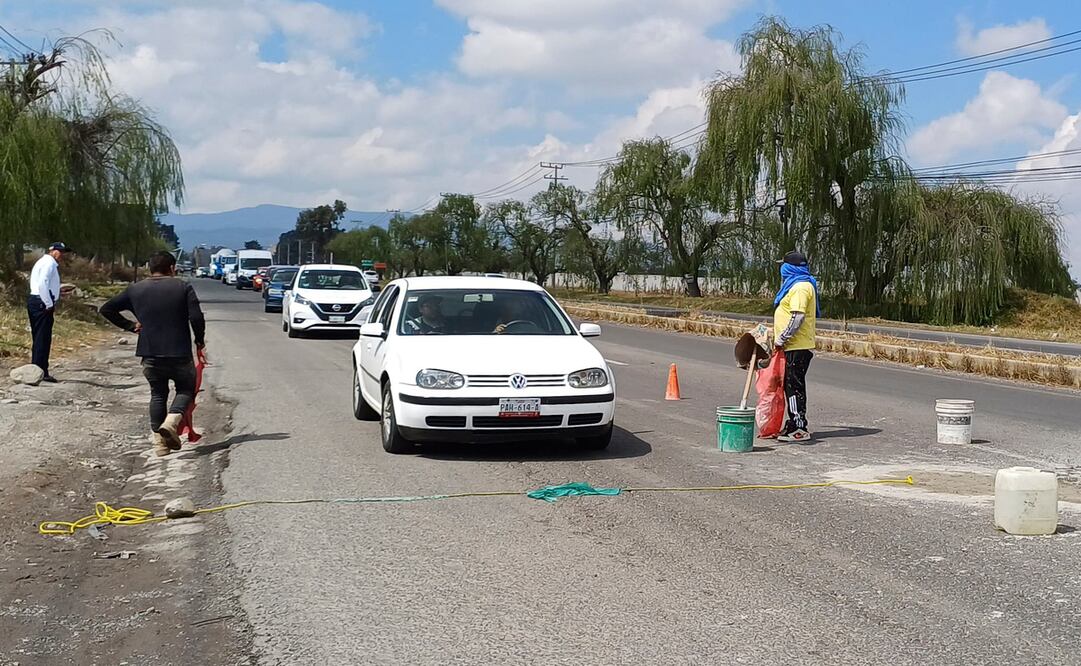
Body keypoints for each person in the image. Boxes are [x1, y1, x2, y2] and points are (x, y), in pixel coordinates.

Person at [100, 251, 206, 457]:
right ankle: (172, 421)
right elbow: (196, 317)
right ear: (172, 268)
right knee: (186, 389)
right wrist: (199, 340)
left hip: (149, 352)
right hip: (178, 352)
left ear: (150, 268)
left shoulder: (135, 289)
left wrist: (131, 326)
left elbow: (106, 309)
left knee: (158, 394)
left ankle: (160, 445)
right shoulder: (182, 287)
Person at [773, 250, 819, 444]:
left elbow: (798, 316)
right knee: (789, 385)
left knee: (794, 386)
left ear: (789, 268)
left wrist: (782, 337)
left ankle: (799, 427)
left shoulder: (800, 287)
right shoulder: (796, 285)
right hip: (793, 346)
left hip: (797, 346)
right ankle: (793, 423)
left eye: (784, 266)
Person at [27, 242, 74, 382]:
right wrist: (48, 303)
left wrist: (57, 291)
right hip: (42, 302)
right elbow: (43, 283)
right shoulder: (49, 263)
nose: (61, 254)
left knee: (39, 337)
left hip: (37, 300)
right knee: (43, 338)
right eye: (59, 251)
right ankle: (41, 371)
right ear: (52, 251)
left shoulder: (43, 262)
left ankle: (37, 369)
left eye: (63, 252)